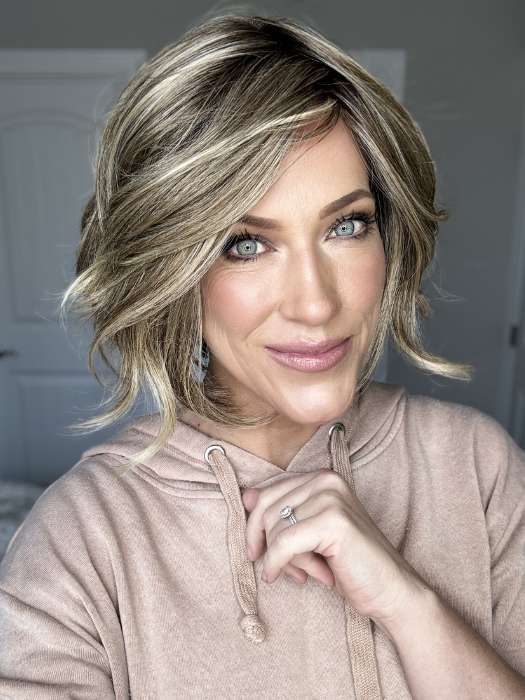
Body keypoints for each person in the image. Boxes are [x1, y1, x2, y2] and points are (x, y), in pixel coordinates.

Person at [1, 11, 525, 700]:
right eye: (245, 244)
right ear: (173, 271)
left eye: (347, 225)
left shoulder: (477, 469)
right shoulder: (82, 537)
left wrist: (410, 605)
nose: (315, 303)